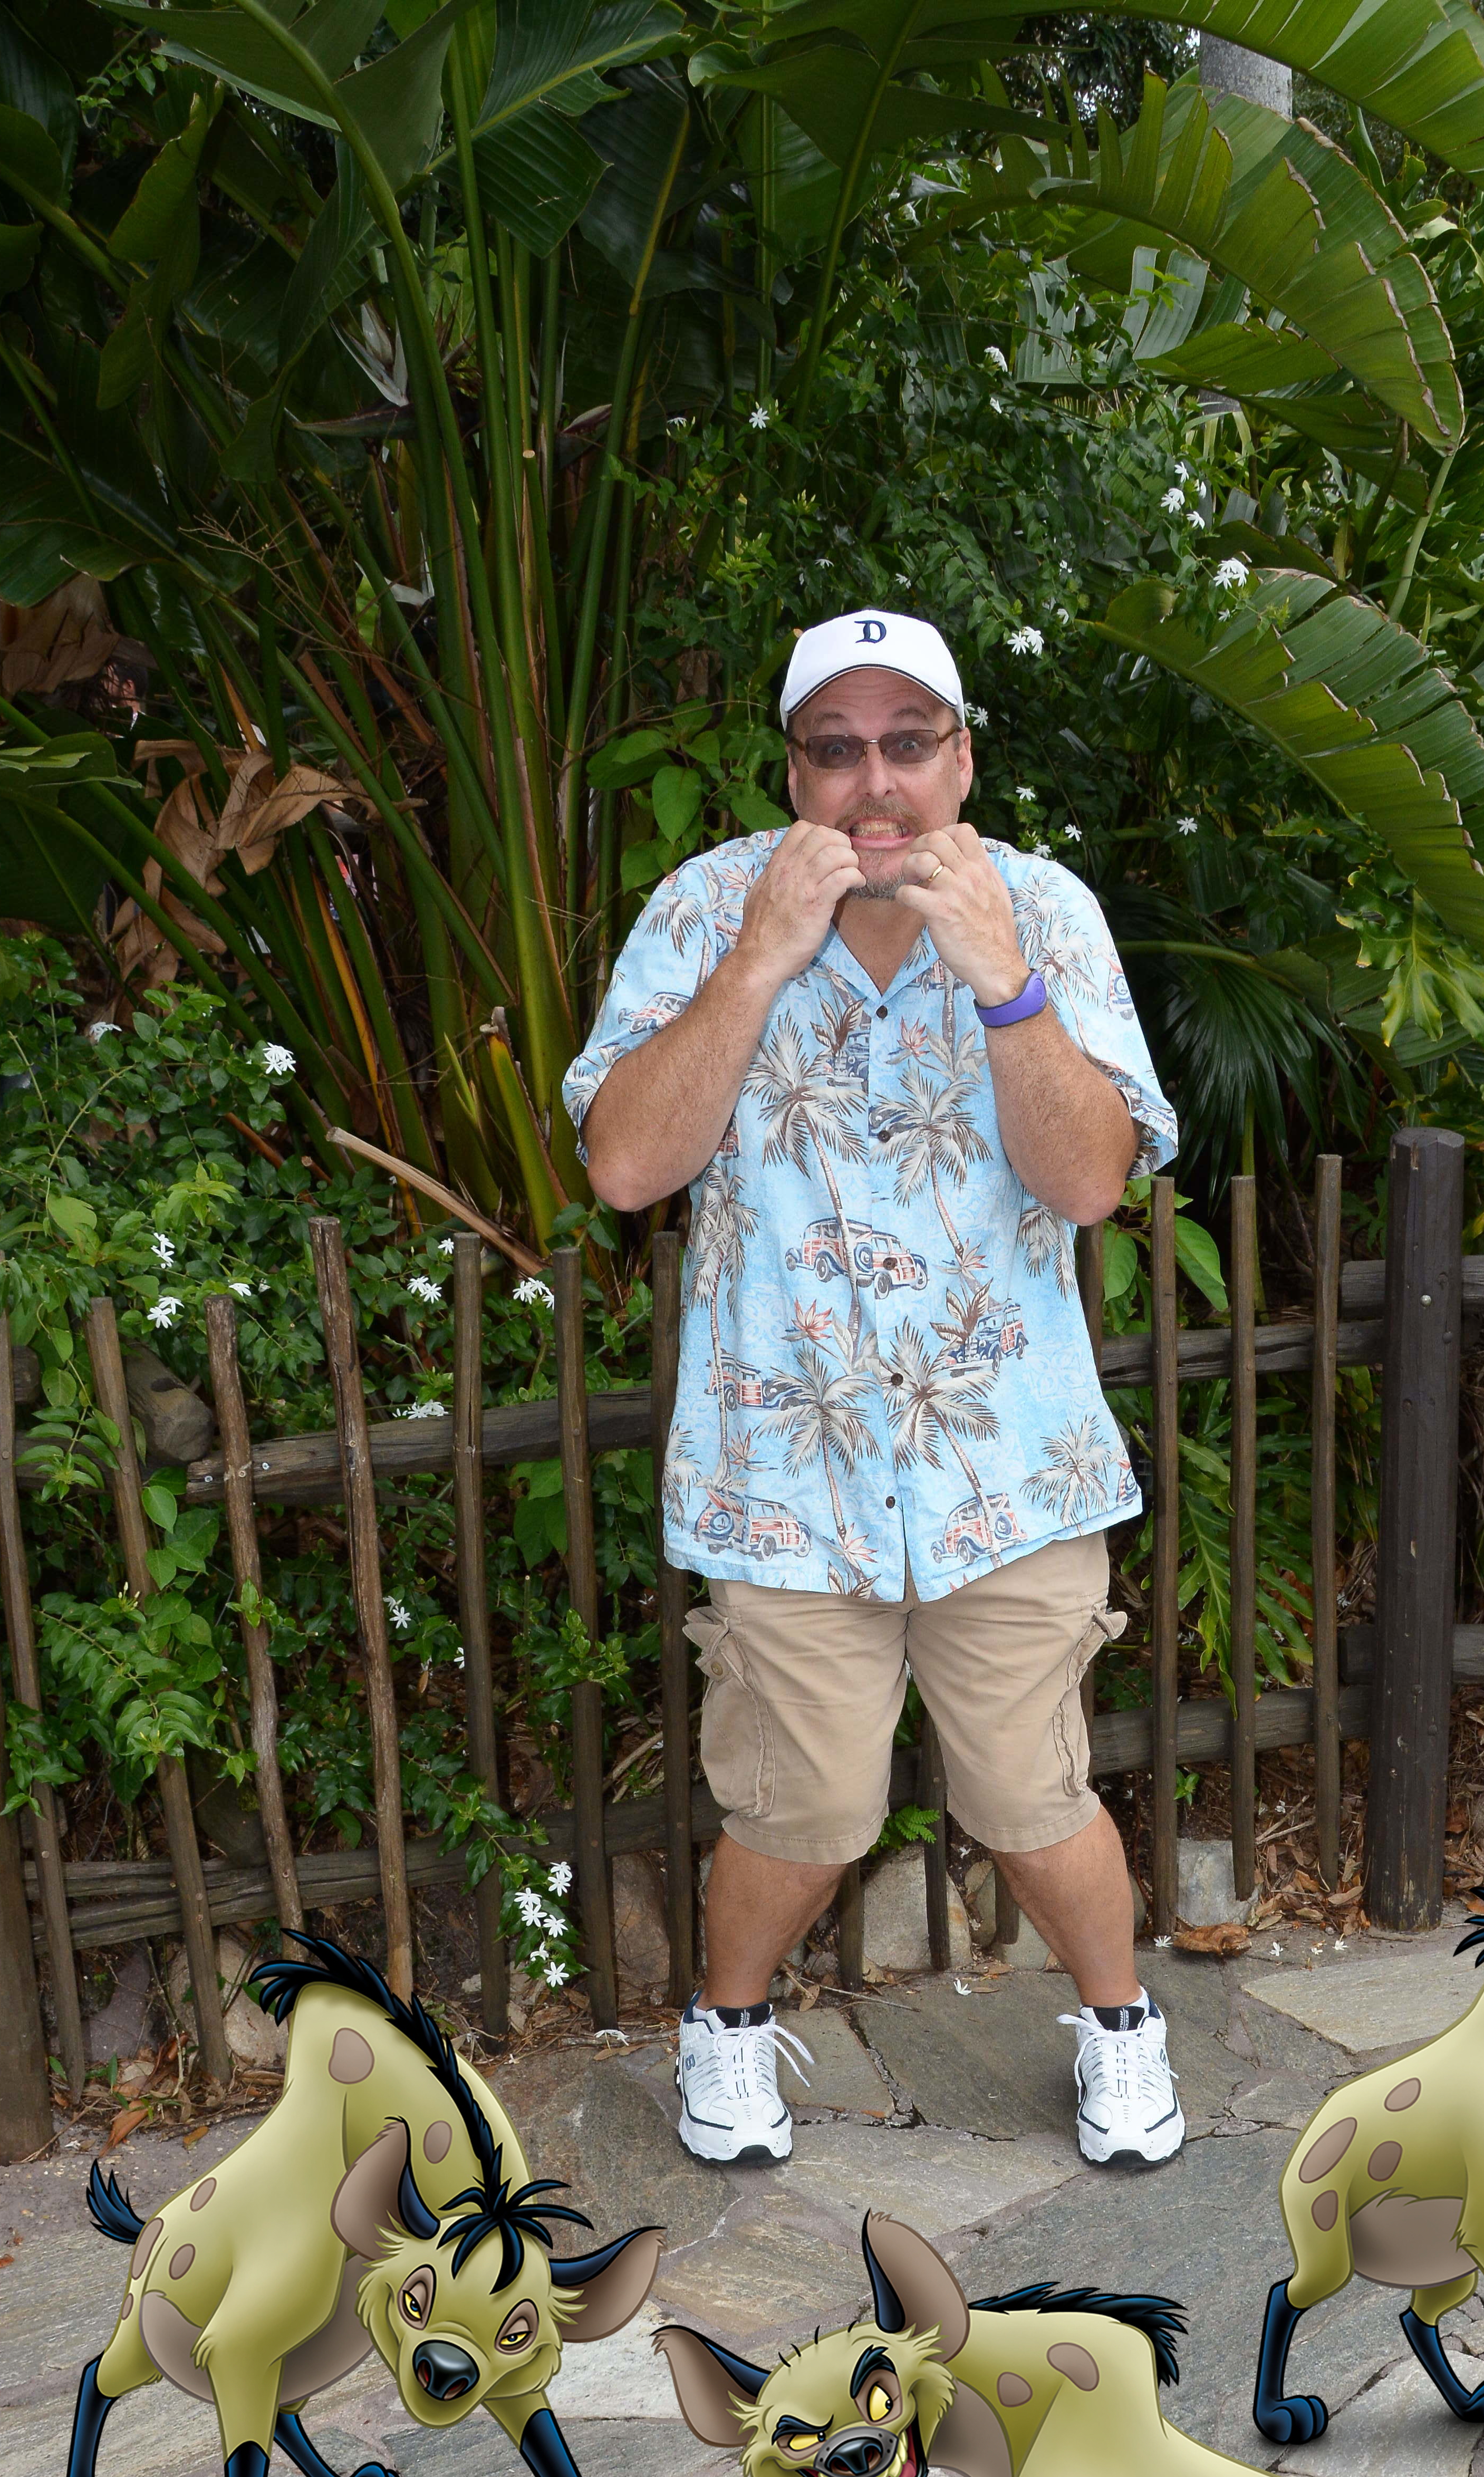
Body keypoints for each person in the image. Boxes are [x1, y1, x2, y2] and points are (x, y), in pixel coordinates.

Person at [565, 609, 1183, 2170]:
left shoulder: (1039, 909)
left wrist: (1004, 988)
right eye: (837, 749)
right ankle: (726, 2034)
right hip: (784, 1468)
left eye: (911, 742)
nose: (876, 784)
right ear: (795, 772)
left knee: (1033, 1789)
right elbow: (629, 1162)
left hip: (1009, 1466)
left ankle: (1120, 2034)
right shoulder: (707, 907)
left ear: (963, 756)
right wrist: (763, 959)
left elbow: (1095, 1181)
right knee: (805, 1804)